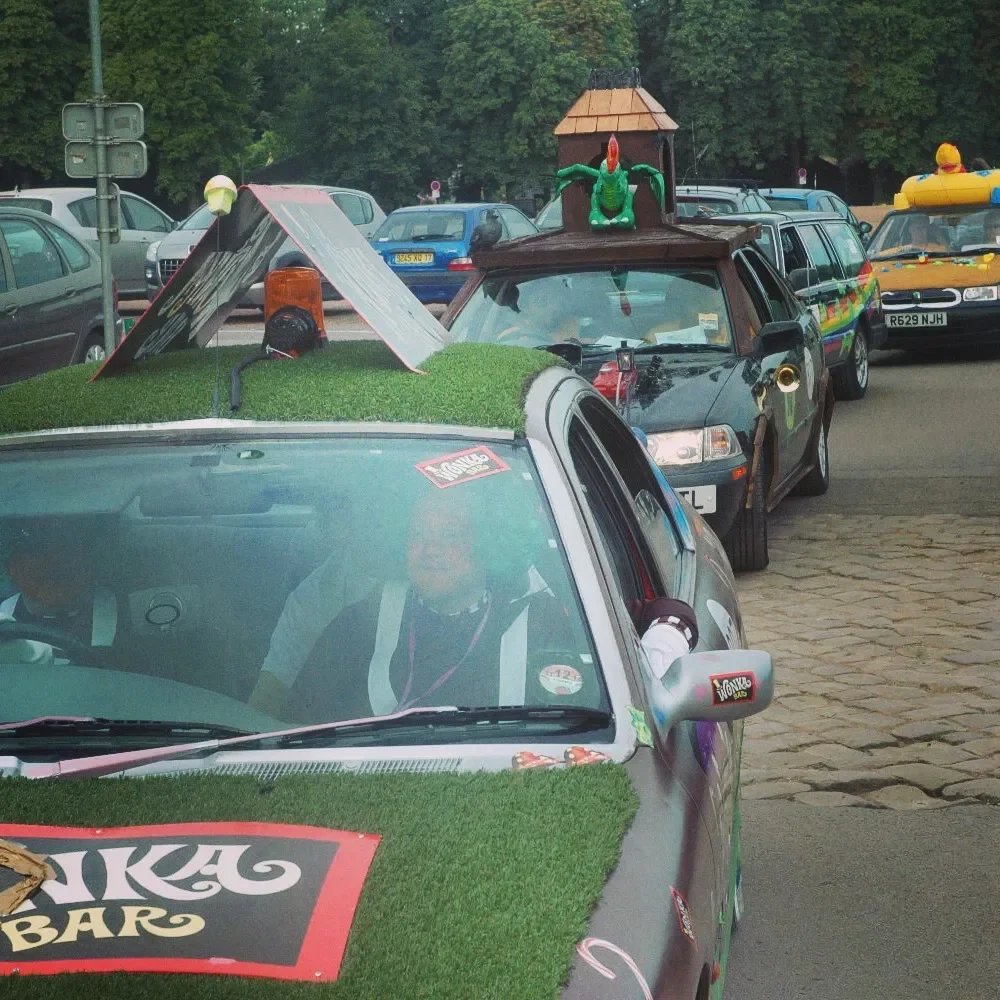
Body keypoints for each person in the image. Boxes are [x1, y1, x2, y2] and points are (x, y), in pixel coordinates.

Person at [279, 489, 584, 723]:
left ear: (486, 544)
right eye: (418, 534)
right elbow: (297, 725)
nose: (430, 549)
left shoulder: (538, 622)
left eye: (450, 535)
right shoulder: (362, 621)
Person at [0, 532, 116, 658]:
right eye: (41, 579)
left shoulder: (120, 610)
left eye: (60, 576)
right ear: (14, 571)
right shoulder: (5, 612)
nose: (52, 562)